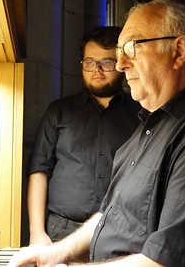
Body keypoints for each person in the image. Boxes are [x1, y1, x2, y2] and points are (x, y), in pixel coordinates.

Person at [9, 0, 185, 267]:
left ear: (179, 51)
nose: (120, 64)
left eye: (131, 47)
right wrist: (57, 253)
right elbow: (110, 215)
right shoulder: (150, 123)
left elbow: (164, 261)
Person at [26, 25, 141, 245]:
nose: (97, 70)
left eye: (106, 62)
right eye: (89, 62)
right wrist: (36, 233)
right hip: (61, 230)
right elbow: (39, 170)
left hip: (120, 231)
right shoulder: (58, 112)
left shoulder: (141, 113)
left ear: (121, 64)